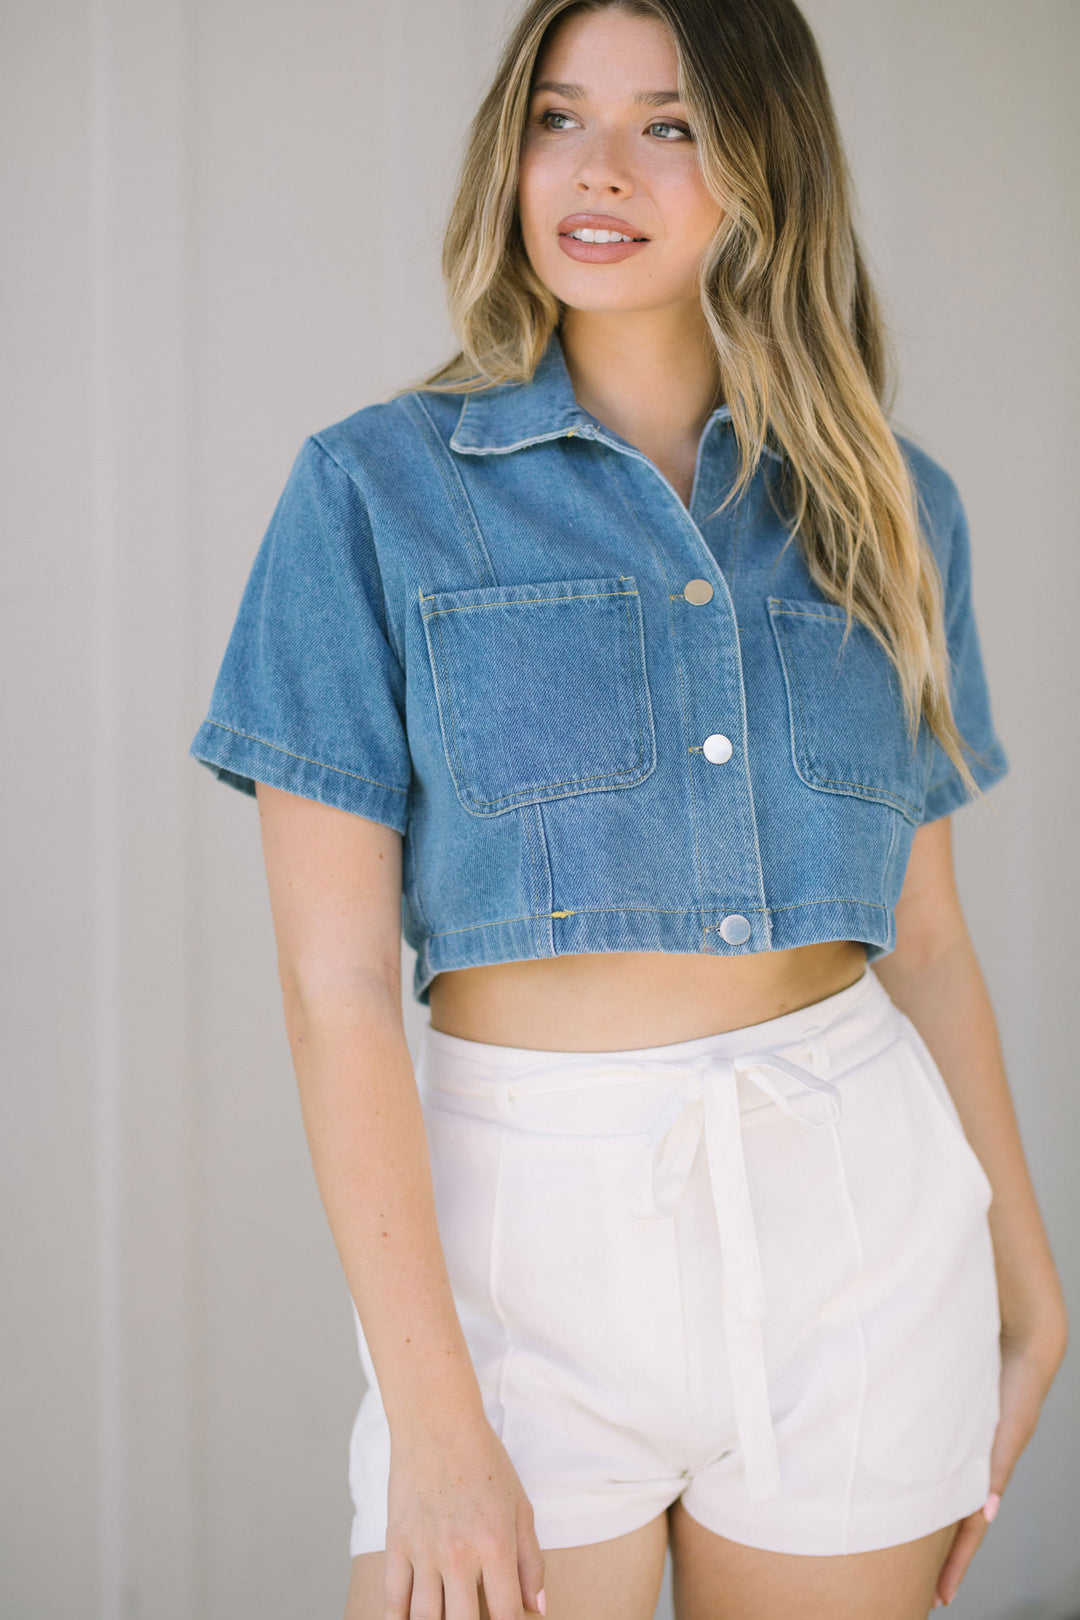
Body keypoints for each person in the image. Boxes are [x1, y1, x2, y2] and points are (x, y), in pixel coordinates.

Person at [188, 2, 1068, 1616]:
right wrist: (436, 1423)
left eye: (668, 123)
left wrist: (1030, 1276)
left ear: (763, 163)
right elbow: (334, 997)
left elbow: (926, 938)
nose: (598, 169)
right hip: (521, 1250)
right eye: (557, 116)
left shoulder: (893, 504)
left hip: (862, 1228)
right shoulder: (372, 492)